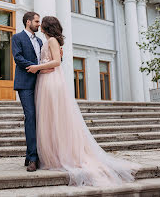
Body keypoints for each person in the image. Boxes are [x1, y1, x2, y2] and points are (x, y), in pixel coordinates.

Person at [26, 16, 140, 186]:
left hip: (51, 81)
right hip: (45, 80)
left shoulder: (52, 42)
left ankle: (62, 155)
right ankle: (52, 155)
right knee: (48, 119)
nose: (40, 25)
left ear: (47, 27)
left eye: (42, 23)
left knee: (55, 117)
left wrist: (37, 68)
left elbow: (56, 62)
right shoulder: (49, 41)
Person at [12, 12, 53, 172]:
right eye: (36, 21)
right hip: (25, 84)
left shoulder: (41, 40)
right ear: (28, 22)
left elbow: (44, 59)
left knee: (40, 118)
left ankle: (32, 154)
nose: (39, 24)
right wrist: (37, 69)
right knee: (30, 117)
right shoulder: (17, 38)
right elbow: (18, 58)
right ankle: (33, 159)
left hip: (41, 83)